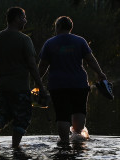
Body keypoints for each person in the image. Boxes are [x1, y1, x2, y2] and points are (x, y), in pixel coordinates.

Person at [38, 16, 107, 144]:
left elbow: (43, 66)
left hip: (58, 85)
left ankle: (64, 142)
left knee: (62, 114)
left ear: (57, 27)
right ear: (71, 27)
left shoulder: (50, 43)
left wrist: (37, 81)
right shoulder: (80, 41)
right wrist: (100, 73)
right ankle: (77, 139)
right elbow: (90, 59)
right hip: (79, 84)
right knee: (79, 110)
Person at [0, 7, 47, 148]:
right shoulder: (24, 39)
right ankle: (15, 147)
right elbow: (32, 66)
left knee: (2, 116)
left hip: (2, 87)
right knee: (22, 117)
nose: (25, 20)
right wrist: (40, 87)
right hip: (20, 88)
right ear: (16, 19)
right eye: (24, 17)